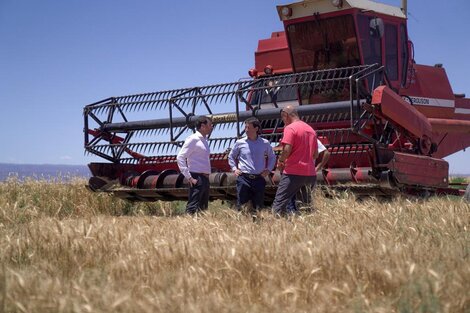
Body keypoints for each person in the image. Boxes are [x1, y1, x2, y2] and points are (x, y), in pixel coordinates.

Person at [272, 105, 318, 216]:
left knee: (279, 204)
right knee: (305, 206)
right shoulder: (311, 130)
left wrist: (281, 161)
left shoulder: (290, 128)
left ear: (285, 115)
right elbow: (315, 154)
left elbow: (287, 149)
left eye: (283, 118)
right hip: (310, 174)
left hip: (293, 173)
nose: (283, 120)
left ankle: (278, 229)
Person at [228, 117, 276, 214]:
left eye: (248, 128)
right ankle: (242, 225)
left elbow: (272, 157)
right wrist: (234, 169)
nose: (246, 130)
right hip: (243, 179)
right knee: (242, 206)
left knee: (258, 206)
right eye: (245, 127)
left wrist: (269, 169)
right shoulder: (240, 142)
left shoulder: (265, 143)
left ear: (256, 129)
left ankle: (256, 226)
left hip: (259, 179)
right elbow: (231, 156)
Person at [176, 116, 213, 215]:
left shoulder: (204, 140)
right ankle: (188, 228)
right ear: (202, 126)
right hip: (197, 178)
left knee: (203, 209)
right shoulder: (193, 139)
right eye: (209, 125)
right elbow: (180, 157)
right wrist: (189, 177)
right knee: (193, 207)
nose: (211, 127)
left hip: (204, 178)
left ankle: (200, 229)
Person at [286, 138, 330, 212]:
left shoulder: (292, 139)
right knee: (306, 200)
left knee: (291, 199)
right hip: (309, 174)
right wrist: (319, 167)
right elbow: (326, 153)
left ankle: (294, 217)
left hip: (294, 173)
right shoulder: (312, 139)